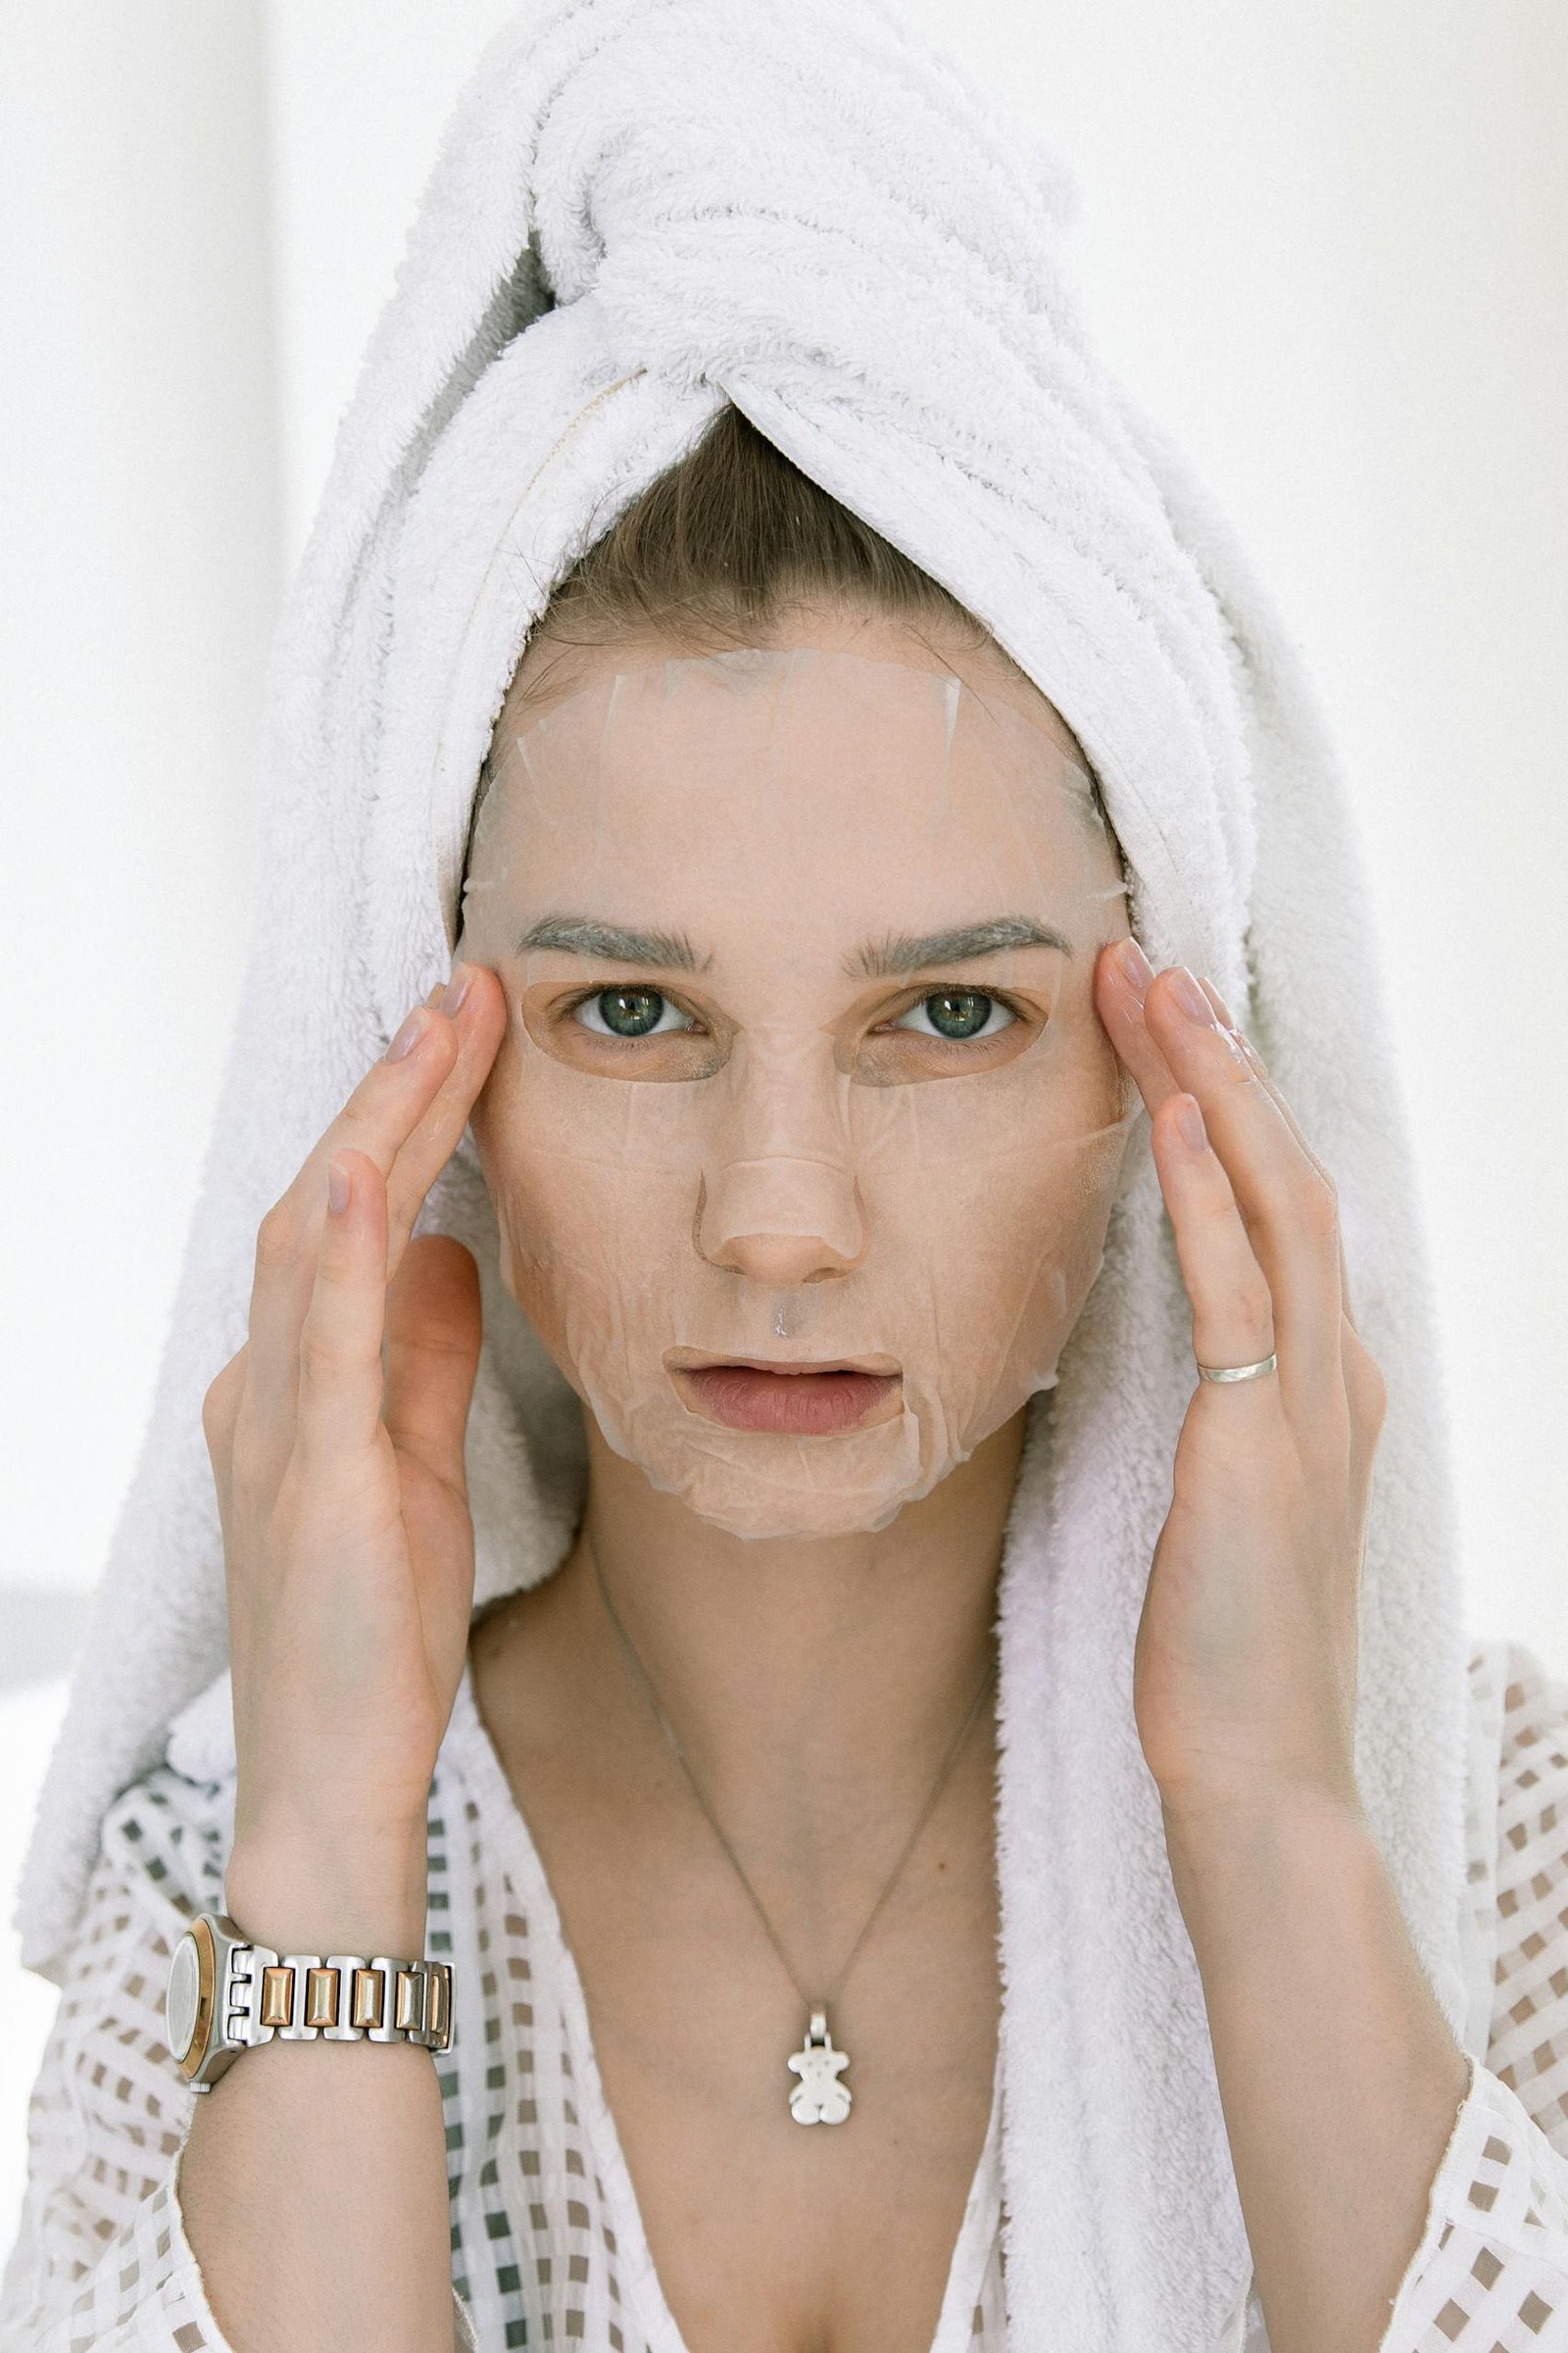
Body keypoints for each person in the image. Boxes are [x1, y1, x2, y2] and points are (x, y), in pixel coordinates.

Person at [5, 9, 1566, 2353]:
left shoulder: (1493, 1830)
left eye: (946, 1014)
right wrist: (328, 1829)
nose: (776, 1224)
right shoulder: (228, 1883)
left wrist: (1262, 1820)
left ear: (1175, 1061)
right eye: (630, 1014)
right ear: (424, 1071)